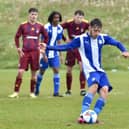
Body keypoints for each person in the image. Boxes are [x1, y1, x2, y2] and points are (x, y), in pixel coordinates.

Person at [40, 18, 129, 123]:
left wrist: (125, 51)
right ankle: (82, 115)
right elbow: (66, 47)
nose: (97, 33)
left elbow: (117, 43)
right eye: (95, 30)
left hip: (100, 71)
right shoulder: (81, 39)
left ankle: (94, 116)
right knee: (94, 86)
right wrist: (48, 47)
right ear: (90, 28)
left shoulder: (102, 38)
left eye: (99, 30)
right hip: (90, 70)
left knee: (104, 91)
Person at [8, 8, 49, 98]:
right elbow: (17, 37)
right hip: (25, 52)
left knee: (34, 74)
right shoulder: (23, 25)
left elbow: (46, 36)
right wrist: (18, 48)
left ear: (37, 15)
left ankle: (32, 92)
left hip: (35, 52)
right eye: (32, 14)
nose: (33, 16)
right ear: (29, 15)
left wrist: (43, 45)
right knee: (20, 72)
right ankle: (16, 92)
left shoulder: (40, 26)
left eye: (35, 14)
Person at [35, 11, 63, 97]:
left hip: (54, 53)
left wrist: (61, 55)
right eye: (55, 18)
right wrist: (43, 54)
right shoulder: (46, 27)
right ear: (51, 18)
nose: (57, 19)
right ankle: (36, 89)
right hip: (45, 52)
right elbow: (41, 42)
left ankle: (56, 92)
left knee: (56, 70)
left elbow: (59, 42)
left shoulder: (60, 28)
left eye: (58, 18)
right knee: (42, 71)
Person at [61, 10, 89, 96]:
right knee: (69, 70)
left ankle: (82, 89)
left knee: (82, 67)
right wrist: (65, 39)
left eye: (81, 17)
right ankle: (68, 90)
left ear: (83, 18)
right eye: (77, 17)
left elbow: (92, 31)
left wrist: (87, 40)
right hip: (71, 47)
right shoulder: (69, 23)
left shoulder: (86, 23)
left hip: (81, 48)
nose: (79, 19)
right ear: (74, 16)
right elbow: (58, 28)